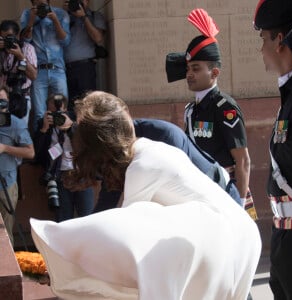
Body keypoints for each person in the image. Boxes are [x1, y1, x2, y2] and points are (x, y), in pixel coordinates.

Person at [30, 91, 261, 300]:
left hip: (227, 243)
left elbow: (125, 243)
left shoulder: (143, 166)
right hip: (237, 238)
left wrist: (58, 255)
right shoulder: (149, 149)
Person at [166, 8, 257, 220]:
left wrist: (239, 204)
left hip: (226, 192)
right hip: (201, 192)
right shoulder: (191, 110)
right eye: (188, 68)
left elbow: (242, 161)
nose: (189, 74)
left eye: (196, 68)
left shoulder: (225, 108)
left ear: (214, 72)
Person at [94, 118, 242, 212]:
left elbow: (131, 219)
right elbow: (108, 198)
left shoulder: (160, 138)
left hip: (222, 199)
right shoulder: (120, 152)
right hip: (200, 216)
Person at [253, 0, 292, 299]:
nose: (261, 49)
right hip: (286, 237)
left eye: (264, 39)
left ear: (280, 40)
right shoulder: (291, 95)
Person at [33, 93, 94, 222]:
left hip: (81, 174)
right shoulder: (44, 124)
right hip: (60, 176)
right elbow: (36, 154)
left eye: (58, 112)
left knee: (88, 218)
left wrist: (70, 127)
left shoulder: (77, 120)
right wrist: (43, 130)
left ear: (65, 109)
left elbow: (87, 145)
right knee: (63, 220)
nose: (55, 116)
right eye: (52, 112)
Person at [20, 0, 70, 130]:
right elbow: (25, 40)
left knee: (62, 109)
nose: (40, 7)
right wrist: (31, 19)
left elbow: (65, 41)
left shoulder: (60, 14)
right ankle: (41, 144)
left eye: (42, 3)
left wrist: (55, 20)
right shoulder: (27, 14)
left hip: (57, 69)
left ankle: (61, 142)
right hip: (39, 70)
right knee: (39, 113)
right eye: (37, 4)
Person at [0, 85, 34, 245]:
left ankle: (8, 269)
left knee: (4, 232)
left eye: (3, 101)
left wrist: (5, 148)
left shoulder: (15, 123)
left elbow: (30, 152)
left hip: (6, 184)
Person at [63, 0, 106, 111]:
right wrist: (64, 13)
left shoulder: (95, 16)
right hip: (64, 69)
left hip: (85, 68)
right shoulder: (63, 17)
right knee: (69, 106)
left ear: (87, 1)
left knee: (88, 104)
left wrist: (84, 17)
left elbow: (98, 38)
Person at [0, 20, 37, 125]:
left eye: (9, 37)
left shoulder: (27, 48)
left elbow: (33, 75)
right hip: (2, 98)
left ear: (16, 35)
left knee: (19, 132)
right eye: (3, 38)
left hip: (21, 96)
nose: (6, 41)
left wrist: (20, 56)